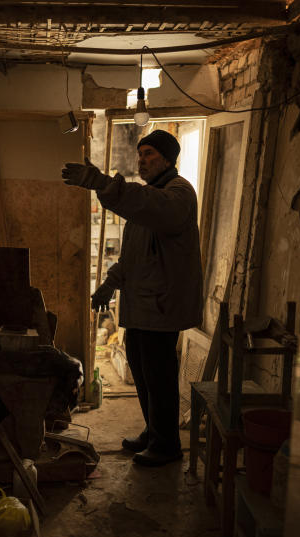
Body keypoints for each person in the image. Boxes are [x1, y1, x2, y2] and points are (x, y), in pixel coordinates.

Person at [61, 129, 203, 467]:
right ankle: (155, 432)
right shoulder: (152, 198)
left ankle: (167, 445)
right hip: (145, 302)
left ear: (169, 159)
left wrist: (104, 185)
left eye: (150, 153)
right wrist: (110, 283)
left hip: (162, 303)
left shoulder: (177, 193)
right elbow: (133, 254)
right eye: (140, 154)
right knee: (141, 368)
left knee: (159, 374)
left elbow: (152, 206)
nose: (142, 159)